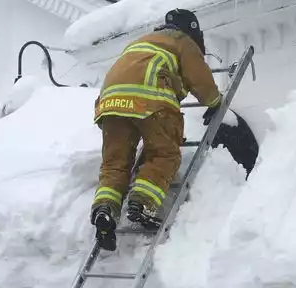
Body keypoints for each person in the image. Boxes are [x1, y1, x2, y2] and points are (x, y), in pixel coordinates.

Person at [89, 8, 224, 251]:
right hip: (150, 99)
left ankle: (105, 210)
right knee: (164, 154)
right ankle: (142, 204)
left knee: (115, 164)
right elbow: (200, 77)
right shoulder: (181, 40)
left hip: (110, 103)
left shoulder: (141, 42)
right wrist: (214, 102)